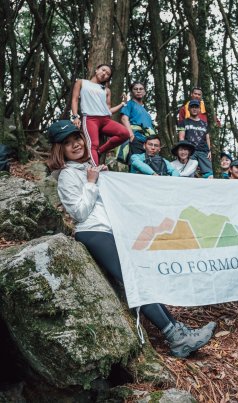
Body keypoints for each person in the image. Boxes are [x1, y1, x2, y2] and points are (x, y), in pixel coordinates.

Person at [46, 120, 215, 358]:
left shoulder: (86, 170)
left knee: (141, 279)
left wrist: (101, 178)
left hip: (109, 230)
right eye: (67, 143)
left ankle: (178, 330)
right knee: (134, 281)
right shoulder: (66, 176)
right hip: (93, 232)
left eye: (77, 139)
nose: (75, 144)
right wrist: (92, 183)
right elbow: (79, 213)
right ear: (59, 149)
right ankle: (175, 337)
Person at [70, 64, 129, 165]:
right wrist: (75, 116)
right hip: (90, 119)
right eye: (103, 70)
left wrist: (122, 104)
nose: (104, 74)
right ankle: (95, 170)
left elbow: (109, 110)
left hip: (106, 120)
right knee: (93, 144)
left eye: (108, 74)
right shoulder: (81, 82)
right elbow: (74, 100)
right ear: (97, 70)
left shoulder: (106, 90)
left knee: (125, 133)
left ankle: (100, 151)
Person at [177, 99, 212, 178]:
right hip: (190, 151)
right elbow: (181, 138)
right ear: (189, 109)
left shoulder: (205, 124)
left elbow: (208, 138)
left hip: (203, 151)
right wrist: (183, 151)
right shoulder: (183, 122)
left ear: (199, 109)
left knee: (209, 173)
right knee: (187, 173)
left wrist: (210, 150)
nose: (194, 109)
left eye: (196, 107)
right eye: (192, 107)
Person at [120, 82, 155, 159]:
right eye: (135, 89)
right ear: (132, 92)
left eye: (141, 89)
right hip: (136, 138)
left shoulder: (145, 110)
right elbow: (124, 118)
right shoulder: (129, 104)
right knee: (136, 163)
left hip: (147, 141)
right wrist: (131, 136)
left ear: (145, 92)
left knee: (147, 164)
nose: (138, 91)